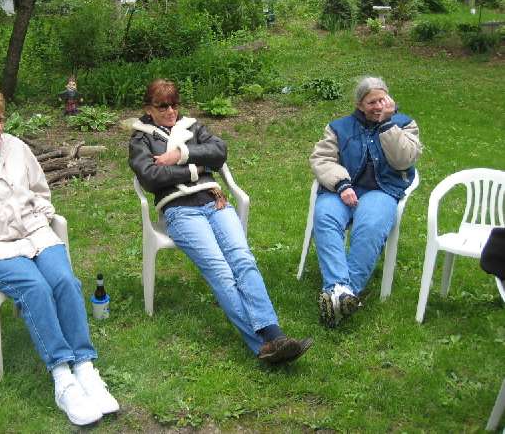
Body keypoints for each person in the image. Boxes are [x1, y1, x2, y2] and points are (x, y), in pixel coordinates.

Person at [0, 84, 118, 426]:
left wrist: (41, 214)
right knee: (36, 288)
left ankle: (85, 367)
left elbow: (40, 189)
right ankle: (63, 378)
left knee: (66, 281)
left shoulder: (15, 146)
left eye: (1, 119)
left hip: (34, 234)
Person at [127, 79, 313, 364]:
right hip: (180, 211)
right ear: (148, 109)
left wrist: (179, 155)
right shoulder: (140, 139)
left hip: (215, 203)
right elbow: (151, 177)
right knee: (221, 272)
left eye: (174, 105)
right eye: (162, 107)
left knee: (243, 261)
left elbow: (219, 151)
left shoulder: (192, 126)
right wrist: (196, 170)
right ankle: (264, 344)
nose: (170, 111)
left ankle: (274, 337)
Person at [309, 76, 422, 328]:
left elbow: (403, 160)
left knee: (370, 226)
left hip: (382, 191)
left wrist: (387, 125)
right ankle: (342, 293)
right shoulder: (338, 127)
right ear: (359, 104)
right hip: (342, 190)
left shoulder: (405, 124)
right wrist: (342, 184)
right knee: (325, 216)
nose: (378, 106)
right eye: (372, 102)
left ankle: (339, 293)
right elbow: (322, 159)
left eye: (383, 100)